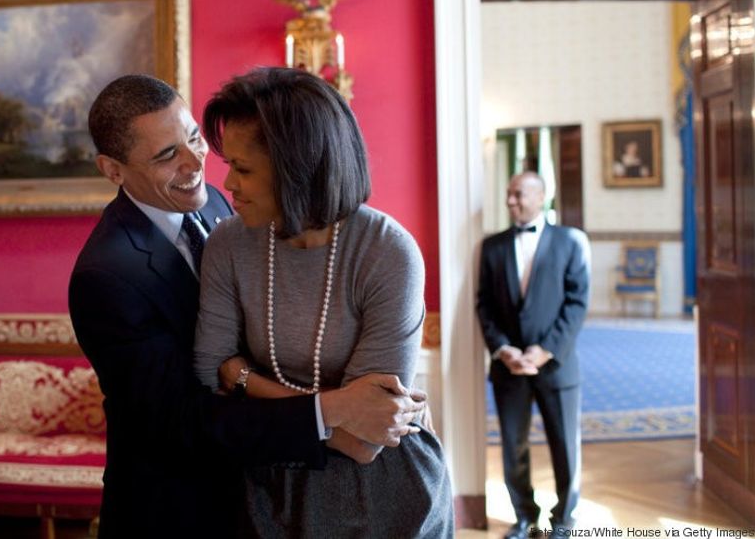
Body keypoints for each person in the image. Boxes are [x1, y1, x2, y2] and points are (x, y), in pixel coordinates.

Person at [68, 74, 428, 538]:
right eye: (166, 155)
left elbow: (368, 426)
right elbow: (186, 418)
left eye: (194, 137)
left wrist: (239, 375)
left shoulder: (217, 206)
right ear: (113, 170)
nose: (199, 163)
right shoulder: (106, 274)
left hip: (307, 496)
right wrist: (333, 409)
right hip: (179, 510)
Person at [193, 67, 453, 538]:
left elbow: (366, 441)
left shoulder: (388, 252)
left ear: (298, 169)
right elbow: (211, 371)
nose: (226, 184)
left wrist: (245, 376)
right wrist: (337, 406)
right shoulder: (228, 243)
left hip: (384, 495)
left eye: (243, 168)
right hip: (266, 482)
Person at [476, 171, 590, 539]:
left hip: (556, 366)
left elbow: (576, 303)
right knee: (514, 447)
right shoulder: (491, 247)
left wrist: (545, 351)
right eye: (509, 194)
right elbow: (485, 306)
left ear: (541, 197)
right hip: (508, 368)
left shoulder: (570, 241)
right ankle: (524, 516)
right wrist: (504, 350)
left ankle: (564, 521)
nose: (511, 201)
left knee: (564, 445)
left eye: (519, 194)